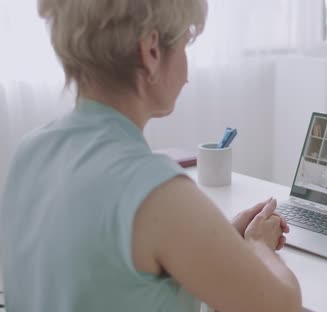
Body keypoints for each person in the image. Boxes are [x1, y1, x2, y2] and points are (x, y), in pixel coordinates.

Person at [0, 1, 301, 311]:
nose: (187, 72)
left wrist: (221, 240)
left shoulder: (29, 153)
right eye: (186, 42)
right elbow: (284, 305)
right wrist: (256, 246)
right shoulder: (154, 189)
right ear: (151, 52)